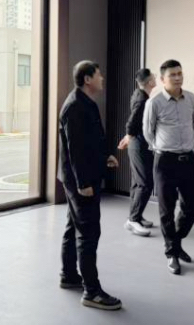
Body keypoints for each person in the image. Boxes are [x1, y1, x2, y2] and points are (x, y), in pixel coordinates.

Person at [57, 61, 122, 311]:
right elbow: (75, 150)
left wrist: (105, 156)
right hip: (80, 181)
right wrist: (83, 183)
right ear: (87, 79)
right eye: (98, 75)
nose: (102, 78)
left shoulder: (86, 103)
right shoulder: (75, 106)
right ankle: (92, 292)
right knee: (88, 233)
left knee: (74, 226)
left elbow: (90, 142)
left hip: (81, 177)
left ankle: (68, 275)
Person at [143, 59, 194, 275]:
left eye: (179, 73)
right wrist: (161, 148)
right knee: (166, 210)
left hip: (188, 160)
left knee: (192, 207)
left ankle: (175, 242)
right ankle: (172, 253)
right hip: (165, 161)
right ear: (162, 79)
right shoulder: (154, 103)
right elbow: (148, 132)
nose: (177, 78)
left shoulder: (191, 98)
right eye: (172, 75)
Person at [118, 68, 156, 237]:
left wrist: (128, 137)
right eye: (153, 77)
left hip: (138, 142)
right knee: (145, 182)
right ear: (149, 82)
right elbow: (131, 122)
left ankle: (136, 216)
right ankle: (133, 220)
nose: (155, 78)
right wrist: (128, 136)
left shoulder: (139, 94)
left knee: (137, 182)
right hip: (138, 143)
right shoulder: (142, 99)